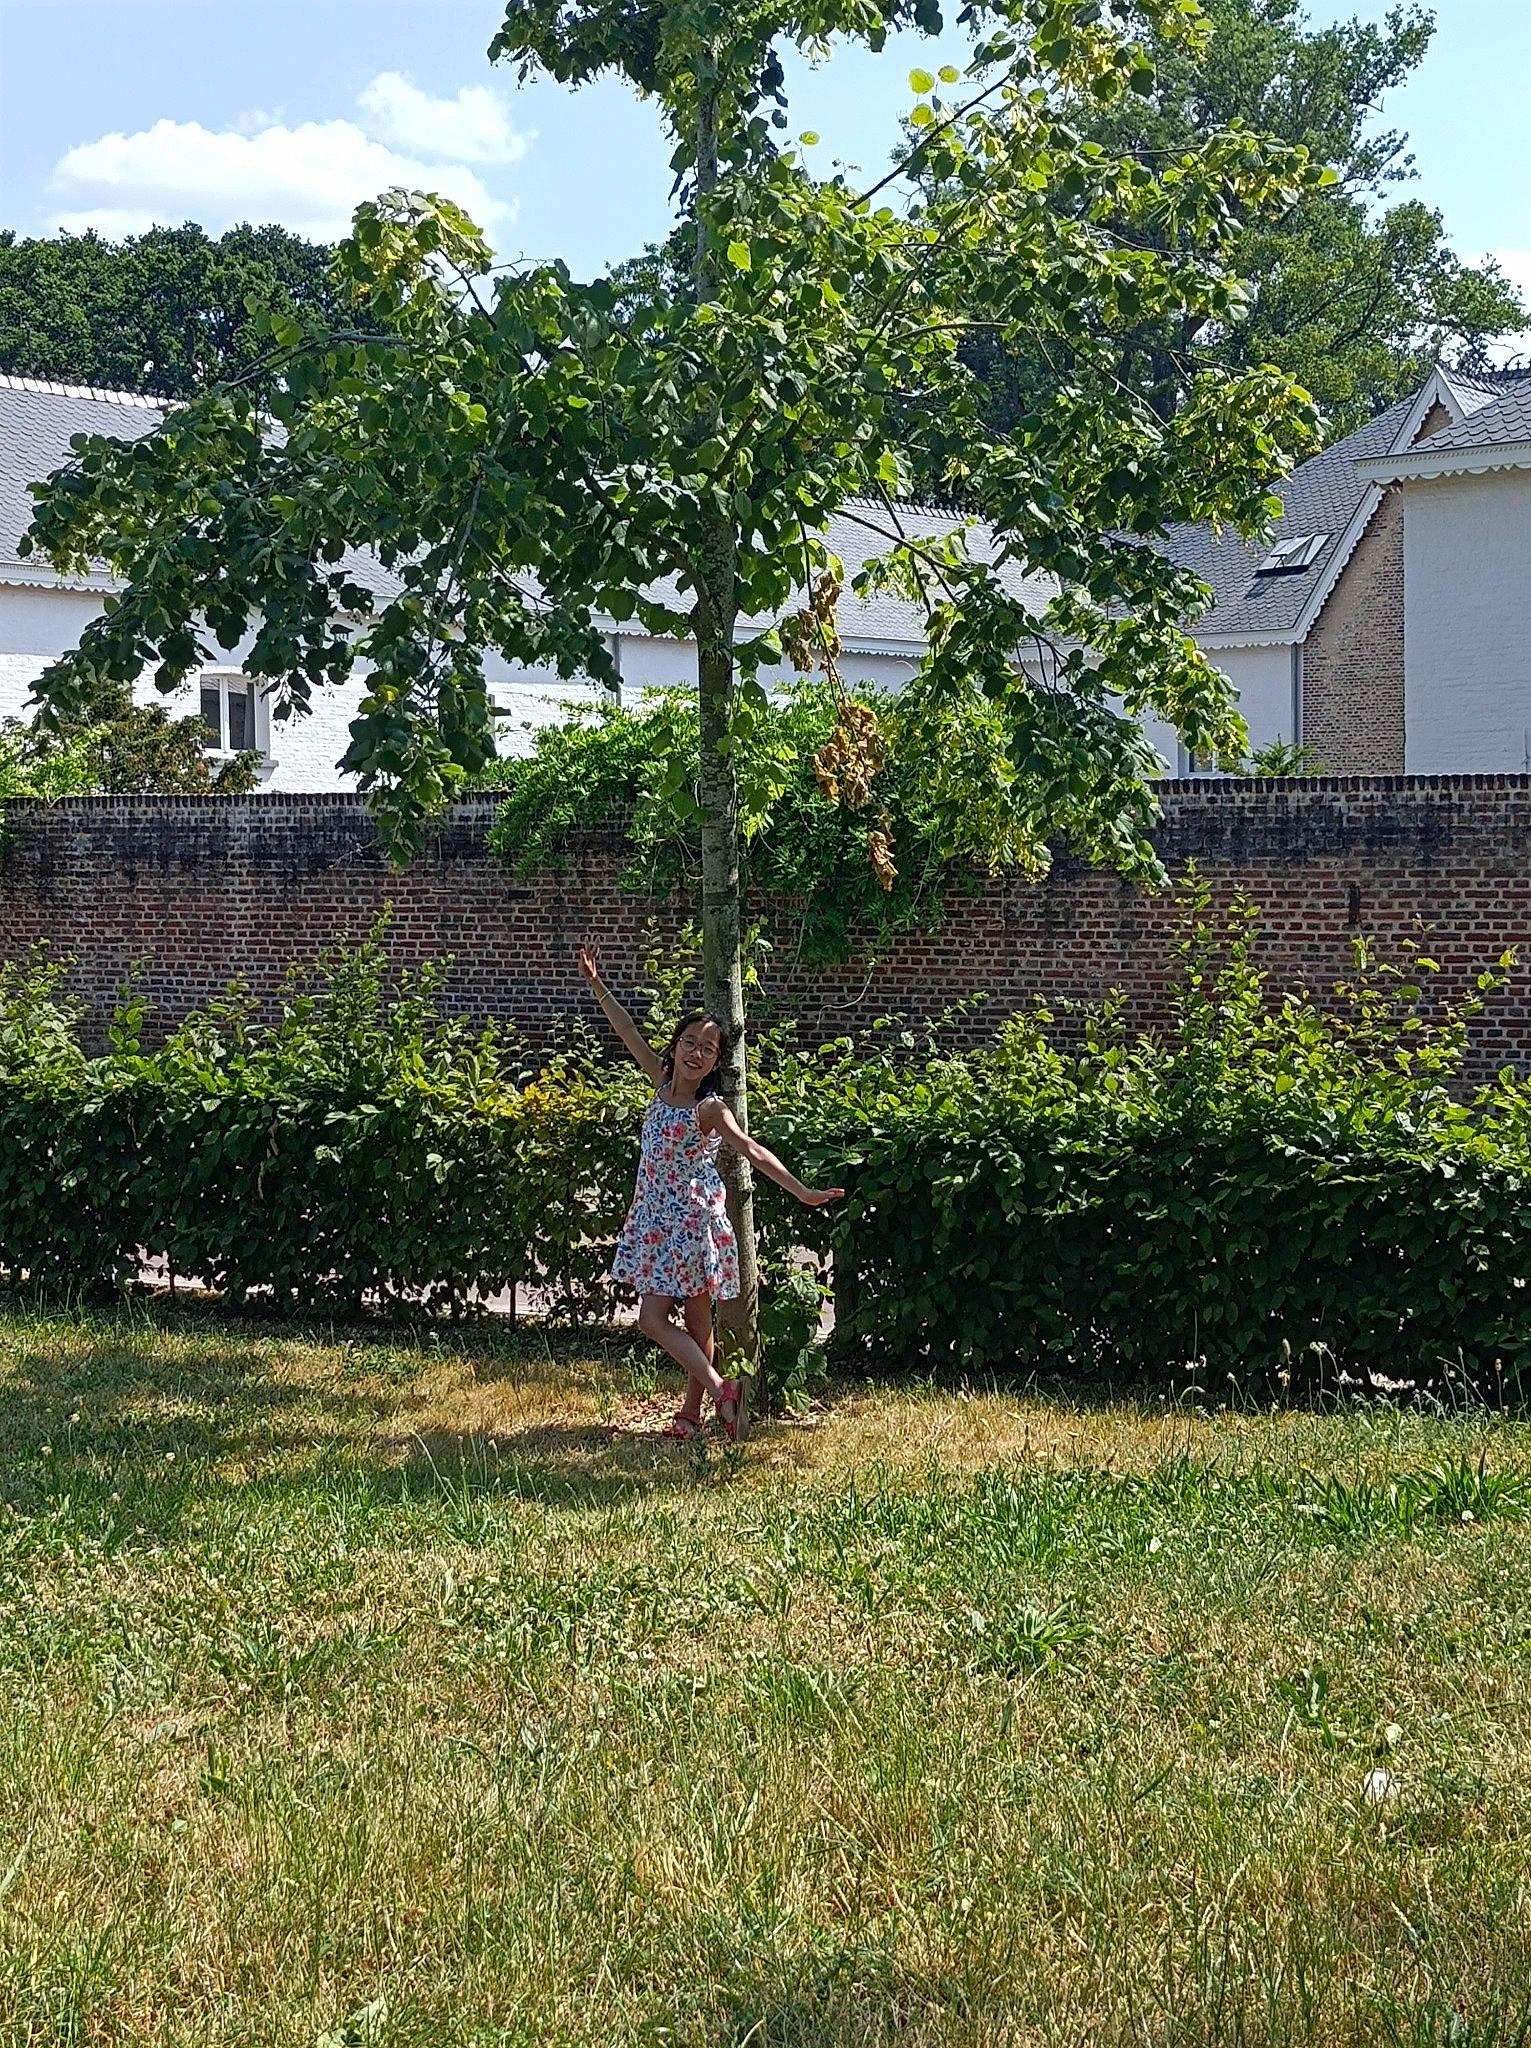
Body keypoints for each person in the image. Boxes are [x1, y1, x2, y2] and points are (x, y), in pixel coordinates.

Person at [577, 945, 844, 1442]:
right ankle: (694, 1412)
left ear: (717, 1062)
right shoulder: (660, 1083)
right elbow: (627, 1031)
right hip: (658, 1217)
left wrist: (801, 1191)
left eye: (708, 1049)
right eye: (689, 1042)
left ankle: (721, 1390)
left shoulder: (709, 1108)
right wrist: (597, 985)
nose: (695, 1052)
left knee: (653, 1321)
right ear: (675, 1044)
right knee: (698, 1327)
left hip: (692, 1222)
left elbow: (750, 1149)